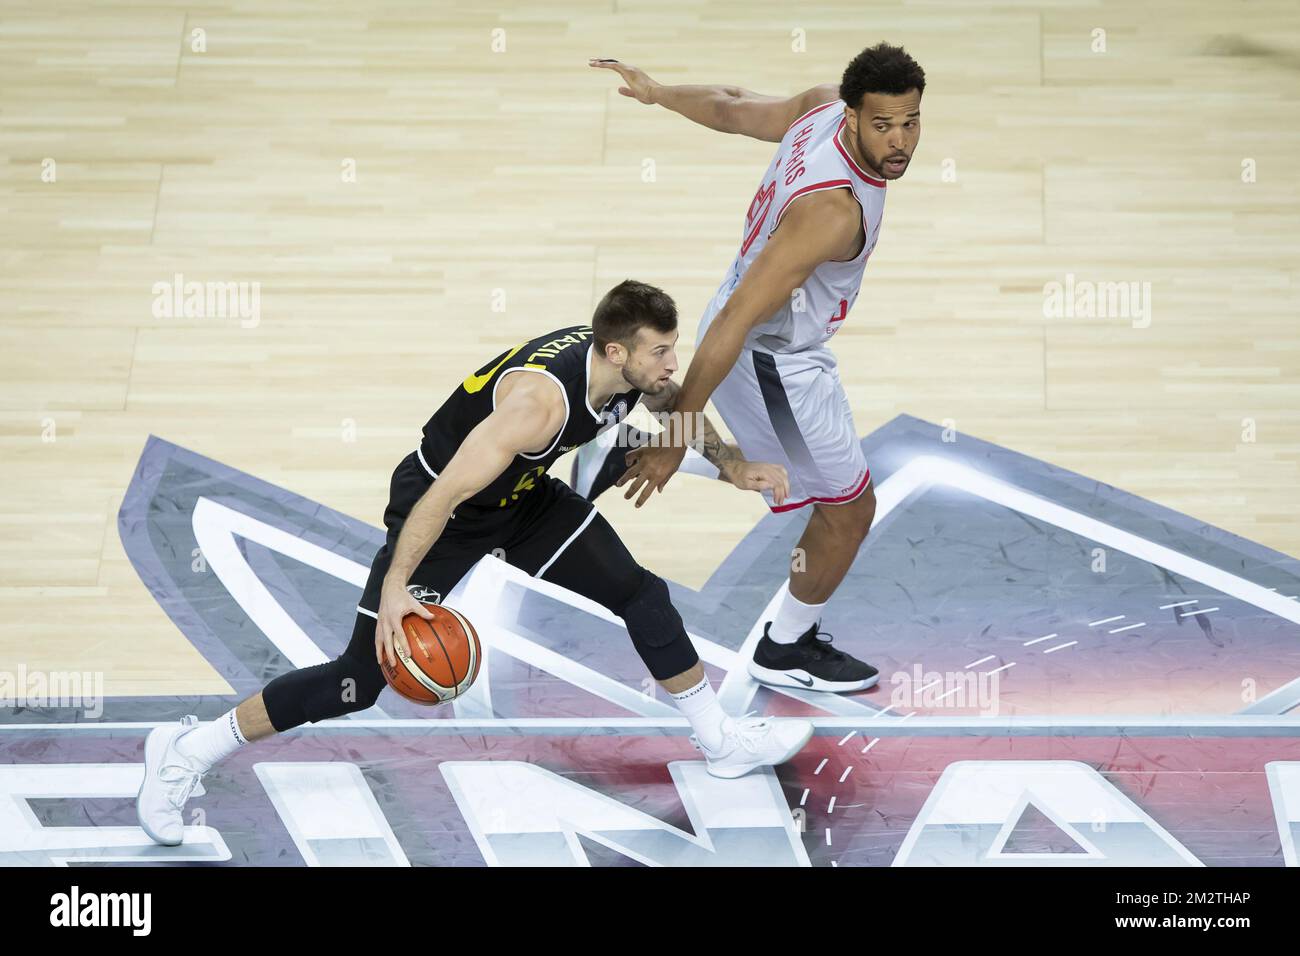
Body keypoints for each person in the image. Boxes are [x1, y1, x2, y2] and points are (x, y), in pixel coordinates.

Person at [136, 280, 814, 846]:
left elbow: (670, 401)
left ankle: (720, 742)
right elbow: (445, 493)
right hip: (447, 518)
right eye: (661, 351)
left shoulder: (622, 370)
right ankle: (188, 750)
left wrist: (735, 469)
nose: (672, 364)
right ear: (615, 350)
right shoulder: (537, 406)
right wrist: (400, 587)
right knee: (360, 678)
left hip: (522, 501)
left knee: (640, 594)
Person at [586, 42, 925, 694]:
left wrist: (659, 93)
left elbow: (732, 107)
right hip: (775, 361)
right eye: (883, 125)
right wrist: (681, 429)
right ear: (853, 117)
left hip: (750, 311)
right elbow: (734, 326)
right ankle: (785, 646)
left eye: (910, 121)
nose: (900, 139)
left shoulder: (821, 106)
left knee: (803, 481)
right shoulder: (832, 213)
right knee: (847, 511)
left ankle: (645, 443)